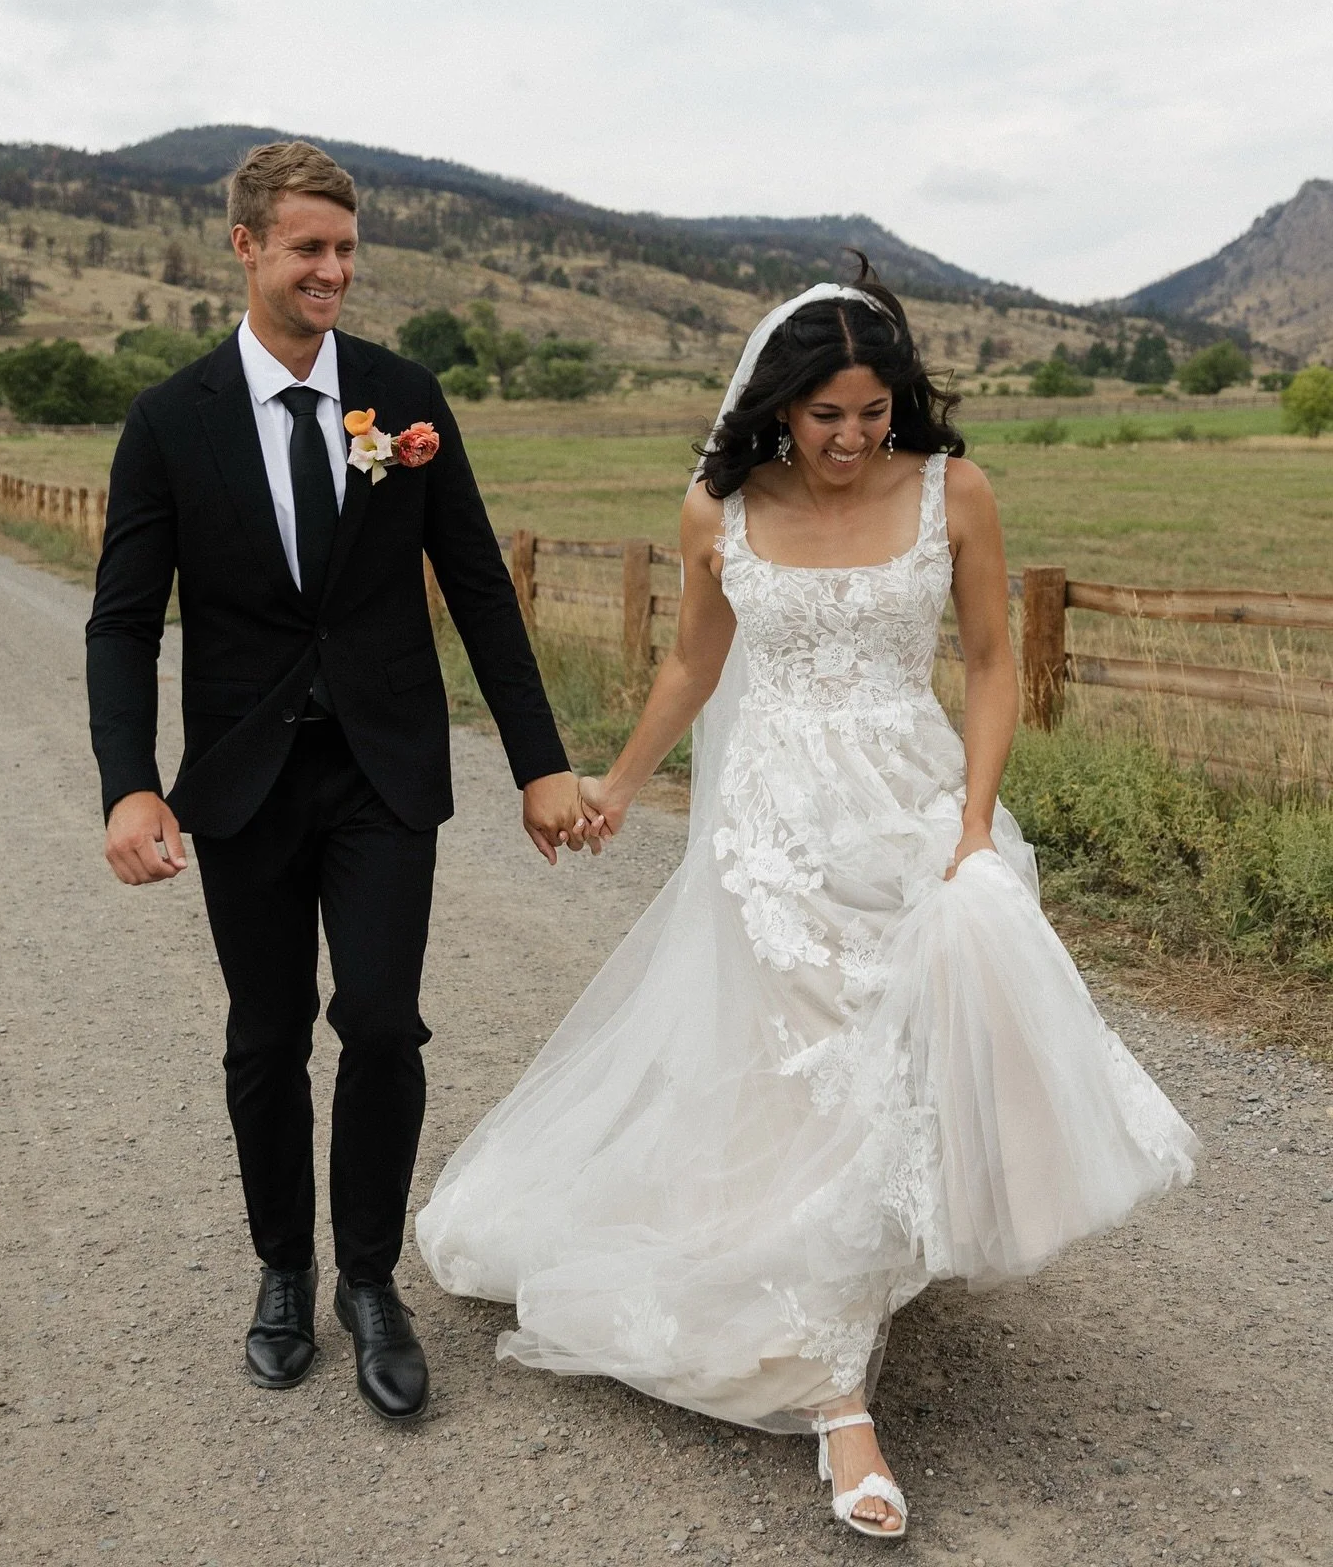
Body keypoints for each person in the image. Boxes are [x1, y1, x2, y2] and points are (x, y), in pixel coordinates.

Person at [417, 274, 1197, 1537]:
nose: (851, 439)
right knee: (800, 1083)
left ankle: (870, 1264)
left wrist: (976, 820)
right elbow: (696, 661)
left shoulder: (958, 492)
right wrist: (619, 782)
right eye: (826, 415)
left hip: (912, 809)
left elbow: (994, 664)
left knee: (899, 1061)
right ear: (779, 408)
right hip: (771, 834)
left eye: (873, 413)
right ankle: (838, 1403)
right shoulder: (718, 506)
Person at [86, 139, 589, 1424]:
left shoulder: (403, 400)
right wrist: (129, 785)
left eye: (346, 250)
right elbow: (124, 621)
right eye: (308, 248)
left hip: (383, 771)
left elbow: (476, 583)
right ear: (246, 246)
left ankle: (368, 1277)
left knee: (378, 1020)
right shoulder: (170, 422)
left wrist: (539, 763)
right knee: (263, 1040)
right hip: (243, 783)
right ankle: (280, 1269)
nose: (332, 271)